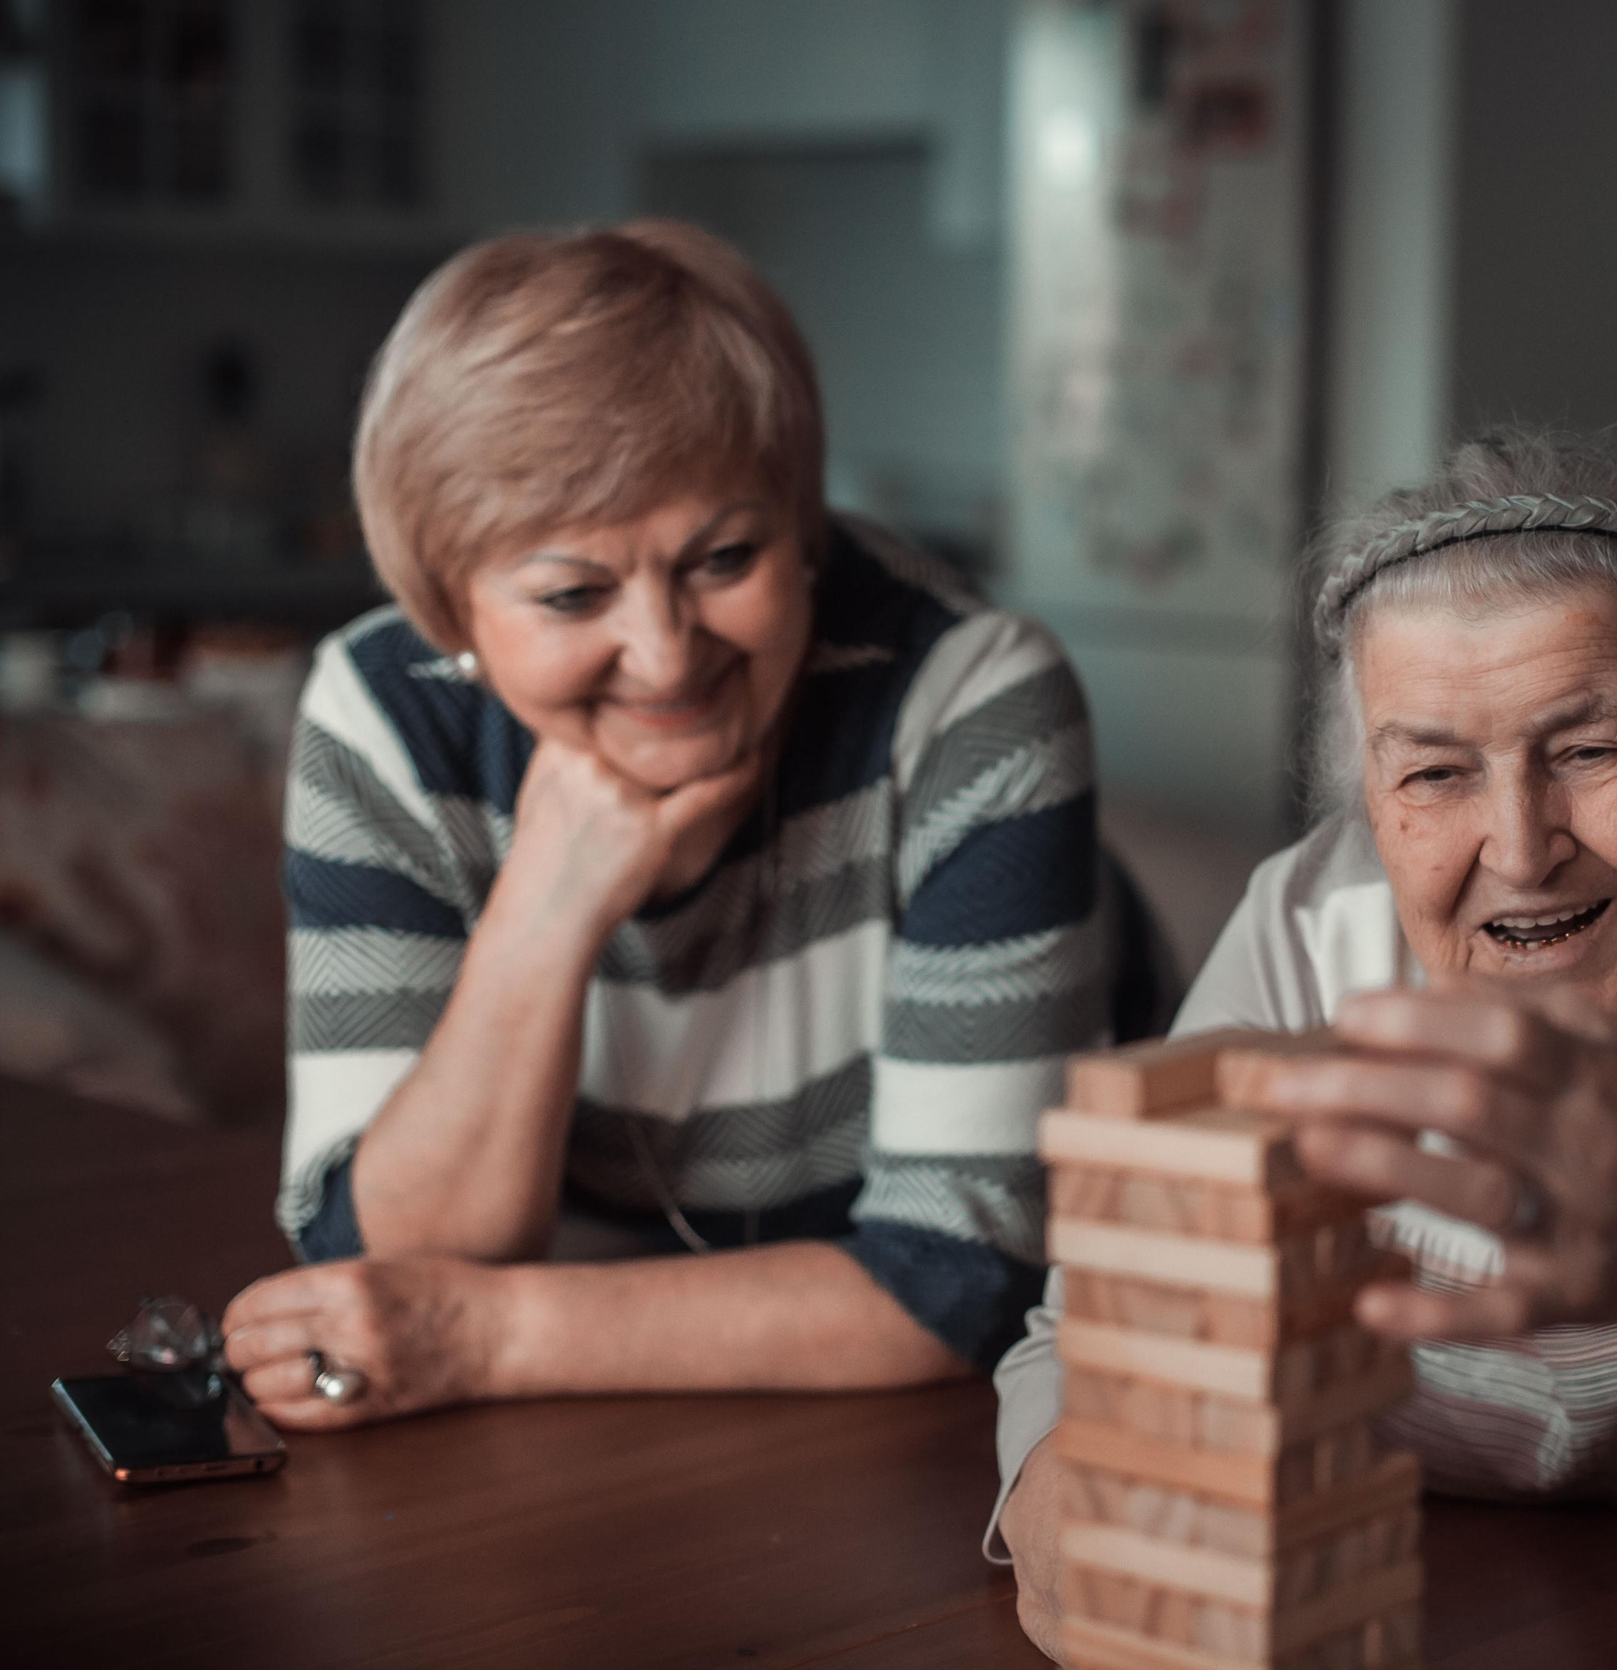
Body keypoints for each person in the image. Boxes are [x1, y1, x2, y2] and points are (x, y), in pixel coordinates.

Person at [994, 430, 1617, 1656]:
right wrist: (1090, 1534)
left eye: (1589, 750)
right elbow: (1094, 1332)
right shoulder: (1309, 929)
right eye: (1437, 774)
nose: (1517, 846)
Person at [220, 219, 1160, 1425]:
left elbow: (960, 1282)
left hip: (945, 1428)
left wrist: (486, 1336)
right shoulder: (383, 715)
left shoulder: (972, 698)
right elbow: (374, 1244)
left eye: (725, 556)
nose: (666, 658)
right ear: (444, 604)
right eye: (572, 592)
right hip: (622, 1420)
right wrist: (548, 912)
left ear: (802, 525)